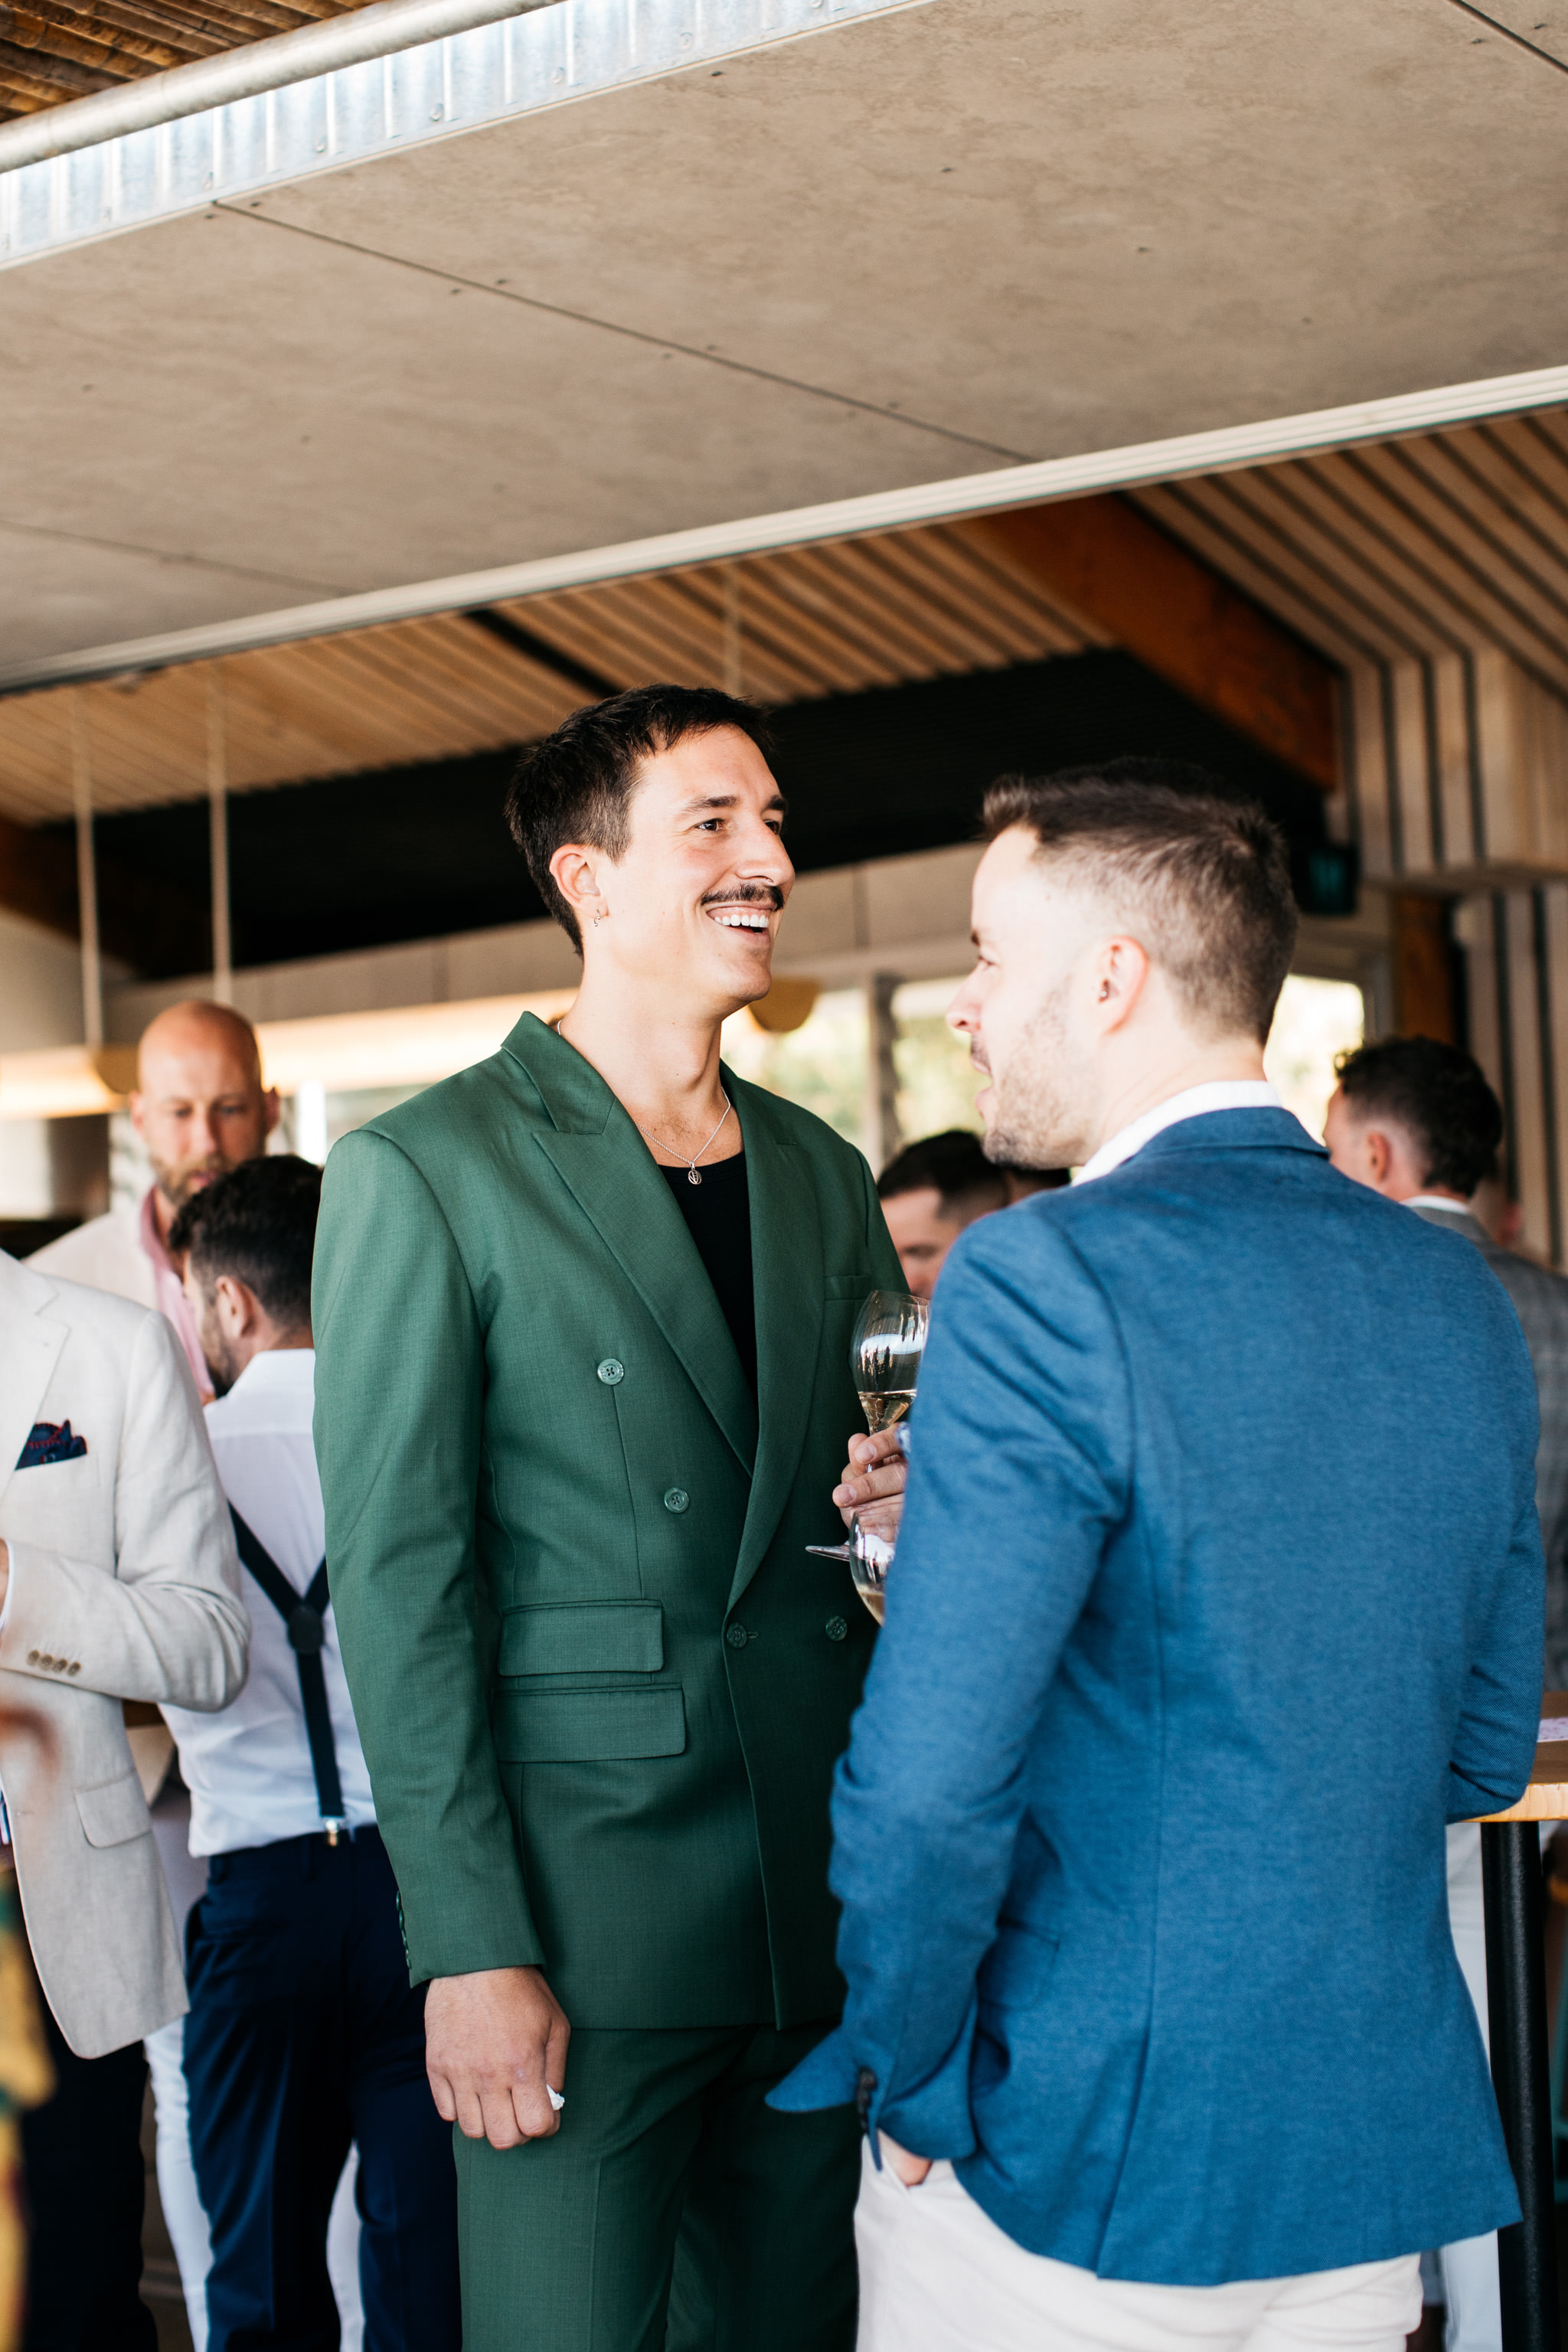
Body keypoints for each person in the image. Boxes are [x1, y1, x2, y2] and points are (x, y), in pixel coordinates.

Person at [776, 769, 1544, 2352]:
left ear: (1111, 977)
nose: (966, 1007)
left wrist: (912, 2071)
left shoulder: (1036, 1273)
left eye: (989, 957)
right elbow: (1477, 1746)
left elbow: (927, 1789)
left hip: (1069, 2142)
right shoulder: (1453, 1294)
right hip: (1355, 2150)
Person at [312, 684, 904, 2352]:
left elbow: (867, 1516)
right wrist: (469, 1946)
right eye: (713, 824)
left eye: (773, 822)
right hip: (581, 1929)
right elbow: (403, 1588)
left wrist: (901, 1510)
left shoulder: (820, 1170)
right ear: (586, 879)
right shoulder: (430, 1168)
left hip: (817, 1900)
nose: (768, 858)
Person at [28, 1001, 312, 2350]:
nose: (206, 1135)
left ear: (269, 1105)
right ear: (137, 1122)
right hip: (123, 1782)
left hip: (266, 1777)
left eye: (230, 1106)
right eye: (179, 1110)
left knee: (233, 2095)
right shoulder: (74, 1270)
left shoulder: (318, 1247)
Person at [163, 1158, 461, 2352]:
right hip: (420, 1898)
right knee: (428, 2279)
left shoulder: (175, 1461)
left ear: (231, 1301)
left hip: (261, 1905)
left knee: (263, 2288)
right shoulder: (420, 1429)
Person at [1325, 1033, 1568, 2352]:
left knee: (1386, 2035)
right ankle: (1493, 2321)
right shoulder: (1556, 1302)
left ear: (1374, 1151)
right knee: (1498, 2038)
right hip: (1544, 1734)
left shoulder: (1354, 1296)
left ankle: (1402, 2300)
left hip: (1388, 1734)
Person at [0, 1246, 248, 2350]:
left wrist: (15, 1586)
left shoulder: (114, 1346)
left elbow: (209, 1641)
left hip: (41, 1922)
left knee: (72, 2302)